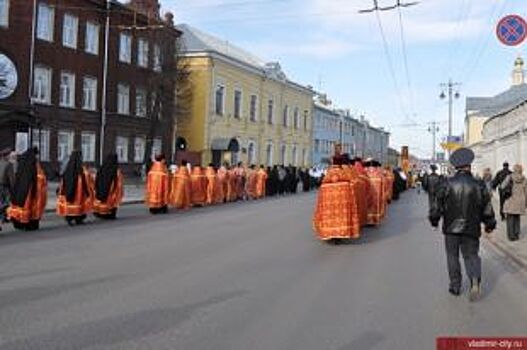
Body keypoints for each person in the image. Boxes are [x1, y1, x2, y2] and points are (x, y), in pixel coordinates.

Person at [429, 148, 496, 301]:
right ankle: (474, 279)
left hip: (451, 228)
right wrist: (489, 225)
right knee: (471, 255)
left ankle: (455, 286)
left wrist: (434, 221)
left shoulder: (447, 183)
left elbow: (436, 206)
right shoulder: (478, 184)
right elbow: (487, 207)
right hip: (471, 227)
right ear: (469, 165)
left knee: (452, 256)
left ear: (455, 166)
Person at [313, 158, 360, 242]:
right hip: (342, 207)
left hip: (329, 206)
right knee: (341, 218)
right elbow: (352, 192)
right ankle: (340, 235)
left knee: (330, 218)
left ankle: (331, 233)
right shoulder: (345, 179)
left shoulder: (326, 180)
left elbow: (321, 197)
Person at [7, 147, 47, 231]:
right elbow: (38, 176)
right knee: (30, 207)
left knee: (20, 206)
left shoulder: (23, 160)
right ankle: (29, 223)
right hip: (30, 189)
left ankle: (19, 223)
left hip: (20, 188)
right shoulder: (33, 162)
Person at [57, 150, 94, 225]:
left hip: (68, 192)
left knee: (70, 205)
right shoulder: (81, 170)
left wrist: (60, 191)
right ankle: (78, 219)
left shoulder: (68, 169)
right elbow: (85, 181)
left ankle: (69, 218)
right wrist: (88, 193)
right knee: (78, 205)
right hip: (78, 193)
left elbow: (63, 181)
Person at [93, 154, 123, 219]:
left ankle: (100, 213)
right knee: (110, 203)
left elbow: (96, 180)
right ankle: (110, 214)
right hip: (111, 191)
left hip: (100, 190)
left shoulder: (101, 169)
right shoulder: (115, 170)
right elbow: (118, 183)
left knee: (102, 203)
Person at [502, 164, 527, 241]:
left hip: (511, 200)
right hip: (520, 201)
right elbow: (526, 192)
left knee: (510, 219)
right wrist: (525, 202)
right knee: (517, 218)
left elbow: (503, 186)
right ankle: (516, 234)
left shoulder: (509, 177)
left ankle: (511, 236)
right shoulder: (524, 179)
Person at [0, 148, 15, 227]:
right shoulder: (9, 164)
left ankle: (4, 217)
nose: (10, 156)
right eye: (9, 155)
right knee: (6, 202)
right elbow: (11, 178)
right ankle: (3, 216)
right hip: (5, 186)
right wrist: (14, 188)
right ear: (6, 156)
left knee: (1, 201)